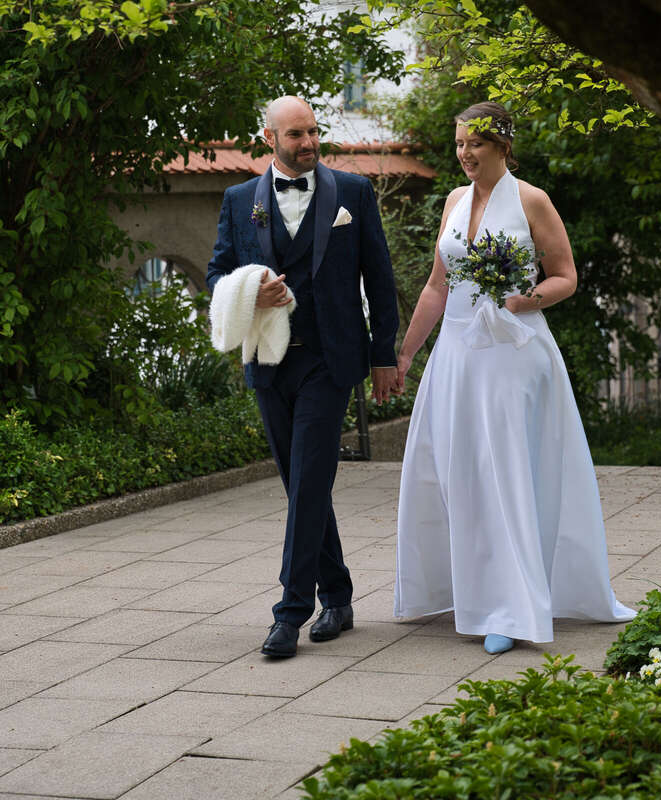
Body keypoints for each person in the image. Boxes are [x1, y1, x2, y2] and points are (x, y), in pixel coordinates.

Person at [392, 102, 635, 654]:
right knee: (456, 473)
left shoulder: (532, 200)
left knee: (503, 473)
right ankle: (460, 587)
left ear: (502, 146)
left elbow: (566, 277)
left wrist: (525, 300)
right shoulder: (454, 201)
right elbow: (437, 286)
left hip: (512, 352)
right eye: (459, 144)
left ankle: (510, 606)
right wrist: (406, 353)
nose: (464, 154)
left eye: (475, 143)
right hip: (457, 352)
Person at [207, 96, 399, 658]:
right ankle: (337, 595)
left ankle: (290, 612)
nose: (310, 142)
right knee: (302, 483)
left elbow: (379, 278)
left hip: (330, 359)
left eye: (314, 131)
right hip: (267, 359)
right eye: (296, 135)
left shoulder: (353, 195)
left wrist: (383, 353)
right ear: (270, 138)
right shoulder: (240, 199)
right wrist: (248, 288)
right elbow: (218, 272)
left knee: (311, 476)